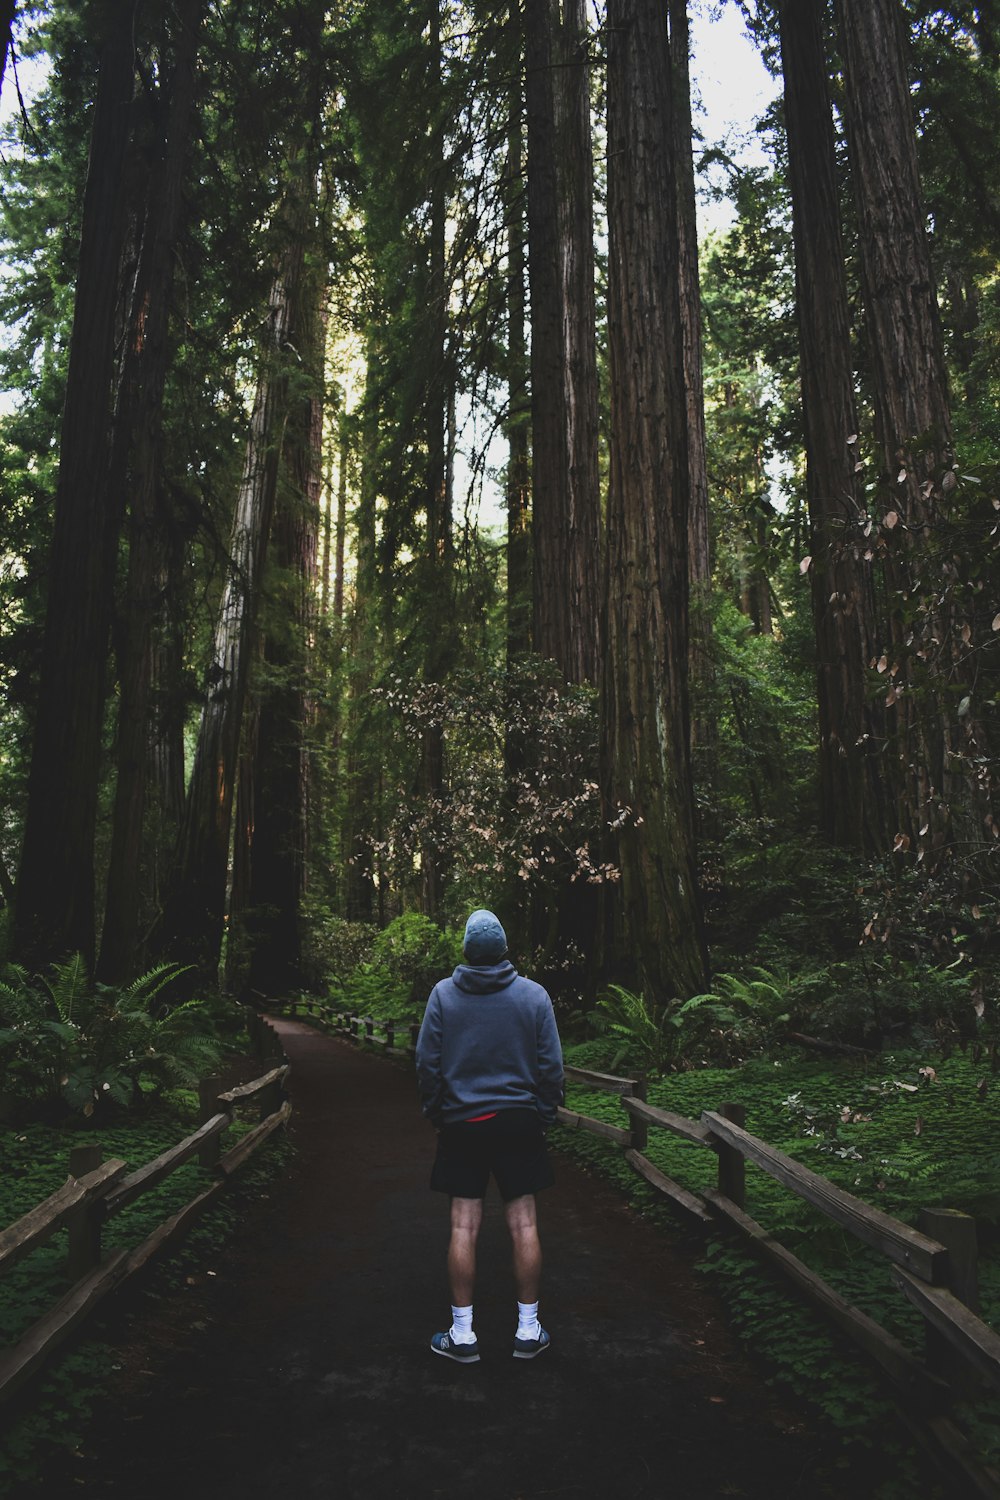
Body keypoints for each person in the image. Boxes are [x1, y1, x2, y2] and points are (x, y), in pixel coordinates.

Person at [415, 908, 564, 1364]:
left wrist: (439, 1113)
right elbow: (551, 1068)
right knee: (524, 1224)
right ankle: (527, 1330)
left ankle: (463, 1337)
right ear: (503, 948)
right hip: (519, 1122)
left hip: (463, 1123)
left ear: (466, 950)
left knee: (463, 1226)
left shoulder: (443, 996)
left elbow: (426, 1064)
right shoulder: (534, 996)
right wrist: (541, 1115)